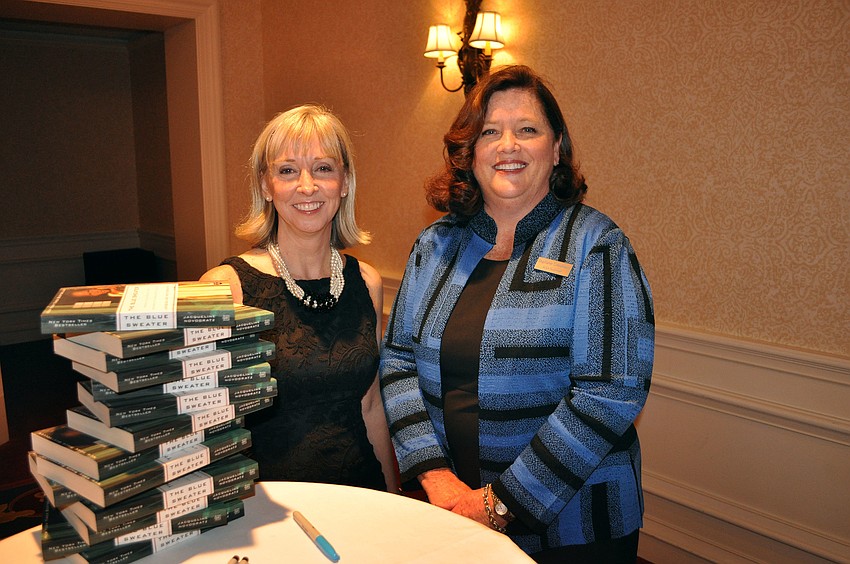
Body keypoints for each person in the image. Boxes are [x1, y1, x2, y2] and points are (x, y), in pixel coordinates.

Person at [379, 65, 654, 562]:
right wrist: (435, 477)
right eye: (490, 132)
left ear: (555, 150)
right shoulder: (435, 244)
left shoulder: (597, 244)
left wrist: (498, 505)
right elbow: (398, 360)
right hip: (449, 509)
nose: (508, 145)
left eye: (527, 130)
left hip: (577, 530)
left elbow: (611, 392)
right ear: (471, 153)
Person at [202, 104, 399, 492]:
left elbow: (371, 404)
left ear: (344, 182)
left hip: (362, 493)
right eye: (287, 170)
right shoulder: (226, 288)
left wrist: (395, 500)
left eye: (323, 168)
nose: (306, 186)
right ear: (265, 185)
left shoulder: (367, 282)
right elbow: (207, 426)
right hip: (268, 504)